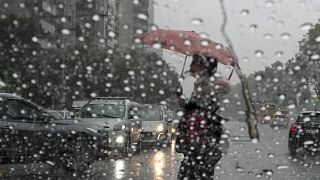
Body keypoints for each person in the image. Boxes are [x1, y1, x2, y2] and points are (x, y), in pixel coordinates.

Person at [175, 54, 230, 180]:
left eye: (193, 62)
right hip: (193, 143)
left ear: (202, 64)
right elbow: (191, 110)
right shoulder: (198, 83)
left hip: (205, 143)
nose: (189, 65)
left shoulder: (212, 81)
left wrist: (204, 90)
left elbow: (225, 87)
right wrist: (180, 97)